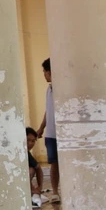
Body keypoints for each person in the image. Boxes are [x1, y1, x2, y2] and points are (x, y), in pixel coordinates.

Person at [37, 58, 59, 201]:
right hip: (51, 134)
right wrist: (41, 128)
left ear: (49, 72)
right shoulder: (48, 89)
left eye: (44, 72)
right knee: (53, 163)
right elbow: (48, 110)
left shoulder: (61, 89)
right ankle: (55, 192)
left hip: (63, 133)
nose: (44, 74)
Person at [25, 127, 44, 205]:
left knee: (32, 169)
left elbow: (38, 168)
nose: (30, 143)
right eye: (28, 140)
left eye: (33, 141)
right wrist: (33, 189)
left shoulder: (27, 153)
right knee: (30, 171)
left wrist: (39, 187)